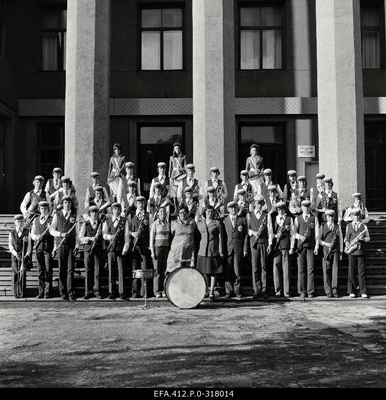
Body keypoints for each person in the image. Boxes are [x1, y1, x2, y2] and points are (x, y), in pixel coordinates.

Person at [49, 195, 79, 301]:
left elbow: (78, 233)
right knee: (62, 269)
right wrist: (60, 234)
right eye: (65, 203)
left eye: (69, 203)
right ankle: (63, 292)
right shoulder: (57, 215)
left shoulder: (75, 215)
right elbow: (51, 230)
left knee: (70, 269)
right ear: (62, 204)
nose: (67, 204)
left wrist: (77, 245)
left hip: (71, 245)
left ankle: (71, 291)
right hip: (61, 245)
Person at [103, 202, 130, 300]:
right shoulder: (107, 220)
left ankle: (121, 292)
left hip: (120, 249)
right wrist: (110, 236)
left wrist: (125, 248)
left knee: (121, 270)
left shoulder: (124, 221)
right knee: (111, 271)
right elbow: (104, 234)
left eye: (118, 209)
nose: (116, 211)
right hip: (111, 249)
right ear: (112, 210)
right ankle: (111, 291)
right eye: (115, 209)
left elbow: (126, 236)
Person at [247, 194, 273, 299]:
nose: (258, 205)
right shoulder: (249, 215)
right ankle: (256, 289)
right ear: (254, 204)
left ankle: (264, 289)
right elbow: (247, 230)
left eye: (260, 203)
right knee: (255, 267)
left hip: (263, 243)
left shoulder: (267, 215)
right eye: (257, 203)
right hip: (254, 243)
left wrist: (270, 244)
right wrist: (254, 232)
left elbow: (270, 231)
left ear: (263, 204)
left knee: (264, 267)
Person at [128, 196, 153, 298]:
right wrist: (132, 233)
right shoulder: (131, 215)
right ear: (136, 204)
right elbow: (127, 229)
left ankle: (144, 292)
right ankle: (135, 291)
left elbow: (151, 230)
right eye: (138, 203)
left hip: (144, 245)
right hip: (134, 246)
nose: (140, 205)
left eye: (142, 203)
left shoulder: (149, 216)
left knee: (144, 269)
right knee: (135, 269)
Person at [196, 205, 224, 300]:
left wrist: (220, 250)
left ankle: (211, 291)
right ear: (205, 212)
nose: (209, 213)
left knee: (213, 271)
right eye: (208, 212)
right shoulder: (200, 223)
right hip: (203, 250)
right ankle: (206, 290)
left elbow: (220, 237)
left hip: (213, 250)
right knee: (204, 272)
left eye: (211, 212)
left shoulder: (217, 223)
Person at [269, 201, 295, 298]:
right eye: (279, 209)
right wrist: (275, 237)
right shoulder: (273, 219)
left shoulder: (289, 219)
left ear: (285, 209)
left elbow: (292, 234)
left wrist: (292, 247)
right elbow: (271, 233)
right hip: (276, 247)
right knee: (276, 268)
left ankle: (286, 291)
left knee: (286, 269)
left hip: (286, 246)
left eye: (282, 209)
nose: (280, 211)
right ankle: (278, 290)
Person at [294, 199, 319, 298]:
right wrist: (300, 237)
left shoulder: (314, 218)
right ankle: (302, 291)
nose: (306, 208)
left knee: (311, 269)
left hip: (310, 247)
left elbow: (317, 234)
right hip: (300, 247)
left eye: (308, 206)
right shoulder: (298, 218)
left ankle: (310, 291)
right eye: (304, 206)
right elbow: (293, 233)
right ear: (301, 207)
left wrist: (316, 246)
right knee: (301, 269)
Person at [222, 201, 248, 299]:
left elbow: (245, 235)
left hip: (238, 248)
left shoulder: (242, 220)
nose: (233, 210)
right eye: (231, 208)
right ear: (228, 209)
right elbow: (223, 237)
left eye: (235, 208)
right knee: (228, 270)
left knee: (237, 271)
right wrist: (222, 250)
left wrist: (245, 249)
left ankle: (237, 290)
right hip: (228, 249)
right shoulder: (224, 221)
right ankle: (228, 290)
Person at [79, 205, 105, 299]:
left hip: (98, 250)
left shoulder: (101, 224)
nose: (94, 214)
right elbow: (80, 238)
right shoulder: (85, 224)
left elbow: (104, 237)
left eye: (96, 212)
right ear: (89, 214)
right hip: (88, 249)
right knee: (88, 270)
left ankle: (97, 291)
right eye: (92, 212)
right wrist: (90, 238)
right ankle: (88, 291)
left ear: (98, 214)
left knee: (97, 271)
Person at [30, 201, 54, 299]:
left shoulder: (52, 219)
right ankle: (41, 291)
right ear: (39, 209)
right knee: (40, 271)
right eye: (42, 208)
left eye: (45, 209)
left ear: (48, 209)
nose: (43, 210)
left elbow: (53, 233)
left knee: (48, 270)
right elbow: (32, 234)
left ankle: (47, 292)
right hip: (38, 248)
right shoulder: (35, 220)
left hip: (48, 248)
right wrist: (36, 237)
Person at [344, 208, 371, 298]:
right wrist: (347, 243)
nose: (357, 217)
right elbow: (346, 238)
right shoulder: (348, 226)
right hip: (351, 250)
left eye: (358, 215)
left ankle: (363, 291)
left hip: (360, 251)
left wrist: (363, 239)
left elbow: (368, 238)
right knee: (351, 271)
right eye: (355, 215)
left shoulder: (364, 226)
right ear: (352, 216)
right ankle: (351, 291)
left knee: (361, 272)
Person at [166, 205, 197, 273]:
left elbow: (195, 234)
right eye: (180, 212)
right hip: (176, 252)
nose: (182, 214)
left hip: (189, 252)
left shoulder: (192, 222)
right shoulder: (174, 223)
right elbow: (171, 236)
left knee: (187, 272)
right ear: (178, 214)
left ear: (187, 213)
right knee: (176, 272)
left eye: (184, 212)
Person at [319, 209, 343, 298]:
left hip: (335, 251)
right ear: (326, 217)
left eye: (332, 217)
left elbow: (340, 240)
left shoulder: (337, 227)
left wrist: (341, 252)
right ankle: (328, 290)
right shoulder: (322, 226)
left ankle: (335, 289)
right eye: (329, 217)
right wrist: (325, 244)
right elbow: (319, 240)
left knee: (335, 270)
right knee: (326, 271)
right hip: (326, 251)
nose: (331, 218)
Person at [150, 206, 171, 298]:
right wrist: (152, 251)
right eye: (161, 211)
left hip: (166, 248)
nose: (163, 213)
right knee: (157, 270)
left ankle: (163, 289)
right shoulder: (155, 224)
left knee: (164, 270)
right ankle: (157, 290)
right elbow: (151, 239)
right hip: (157, 248)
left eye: (164, 211)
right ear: (158, 213)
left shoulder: (168, 223)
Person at [8, 214, 30, 298]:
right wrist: (15, 253)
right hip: (15, 256)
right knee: (15, 273)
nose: (20, 223)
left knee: (22, 273)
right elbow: (10, 245)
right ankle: (16, 292)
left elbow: (29, 246)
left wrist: (27, 254)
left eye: (21, 221)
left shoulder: (27, 232)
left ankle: (22, 292)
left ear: (23, 222)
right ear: (15, 223)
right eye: (18, 221)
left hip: (24, 255)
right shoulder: (12, 232)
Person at [168, 142, 186, 211]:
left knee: (180, 192)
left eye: (178, 148)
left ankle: (180, 206)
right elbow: (170, 168)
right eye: (176, 148)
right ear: (174, 149)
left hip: (180, 175)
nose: (177, 149)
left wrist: (182, 169)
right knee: (174, 193)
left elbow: (185, 167)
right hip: (174, 176)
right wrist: (169, 177)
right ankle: (175, 208)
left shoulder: (183, 157)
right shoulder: (171, 158)